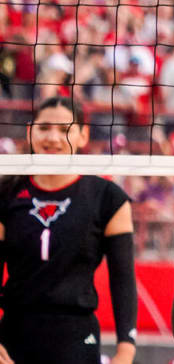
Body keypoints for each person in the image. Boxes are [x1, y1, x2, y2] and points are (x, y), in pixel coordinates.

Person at [0, 98, 137, 364]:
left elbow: (123, 279)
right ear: (30, 131)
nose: (53, 137)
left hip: (76, 335)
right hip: (14, 334)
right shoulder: (6, 193)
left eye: (64, 129)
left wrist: (126, 350)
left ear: (83, 135)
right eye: (44, 127)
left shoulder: (107, 198)